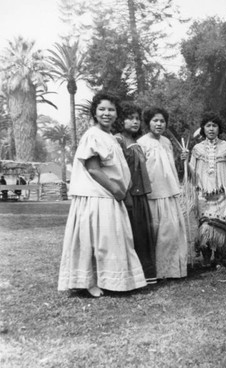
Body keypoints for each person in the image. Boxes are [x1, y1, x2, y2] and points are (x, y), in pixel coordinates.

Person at [58, 92, 147, 297]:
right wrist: (117, 191)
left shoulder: (110, 137)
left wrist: (123, 191)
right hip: (96, 196)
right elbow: (93, 169)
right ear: (95, 113)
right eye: (102, 109)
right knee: (96, 239)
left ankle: (110, 280)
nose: (107, 113)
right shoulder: (92, 134)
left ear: (116, 113)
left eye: (111, 109)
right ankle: (89, 282)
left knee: (110, 240)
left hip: (110, 196)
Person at [181, 112, 226, 268]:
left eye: (214, 125)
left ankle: (219, 256)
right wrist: (185, 162)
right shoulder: (197, 149)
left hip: (221, 192)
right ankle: (206, 257)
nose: (211, 129)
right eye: (208, 126)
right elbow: (191, 172)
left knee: (220, 226)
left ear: (219, 128)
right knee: (205, 226)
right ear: (203, 128)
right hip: (203, 193)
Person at [138, 107, 188, 279]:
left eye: (162, 121)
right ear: (148, 122)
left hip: (169, 191)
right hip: (153, 193)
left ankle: (171, 270)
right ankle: (156, 271)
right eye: (155, 120)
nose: (159, 124)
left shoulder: (167, 142)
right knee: (156, 233)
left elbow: (170, 167)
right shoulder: (142, 143)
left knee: (171, 232)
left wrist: (182, 160)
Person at [114, 102, 157, 284]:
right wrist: (126, 195)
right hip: (128, 195)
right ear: (120, 120)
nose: (135, 122)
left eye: (137, 119)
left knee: (142, 235)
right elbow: (118, 170)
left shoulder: (136, 142)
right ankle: (129, 277)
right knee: (130, 236)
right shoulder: (118, 140)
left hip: (141, 197)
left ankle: (145, 276)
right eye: (130, 118)